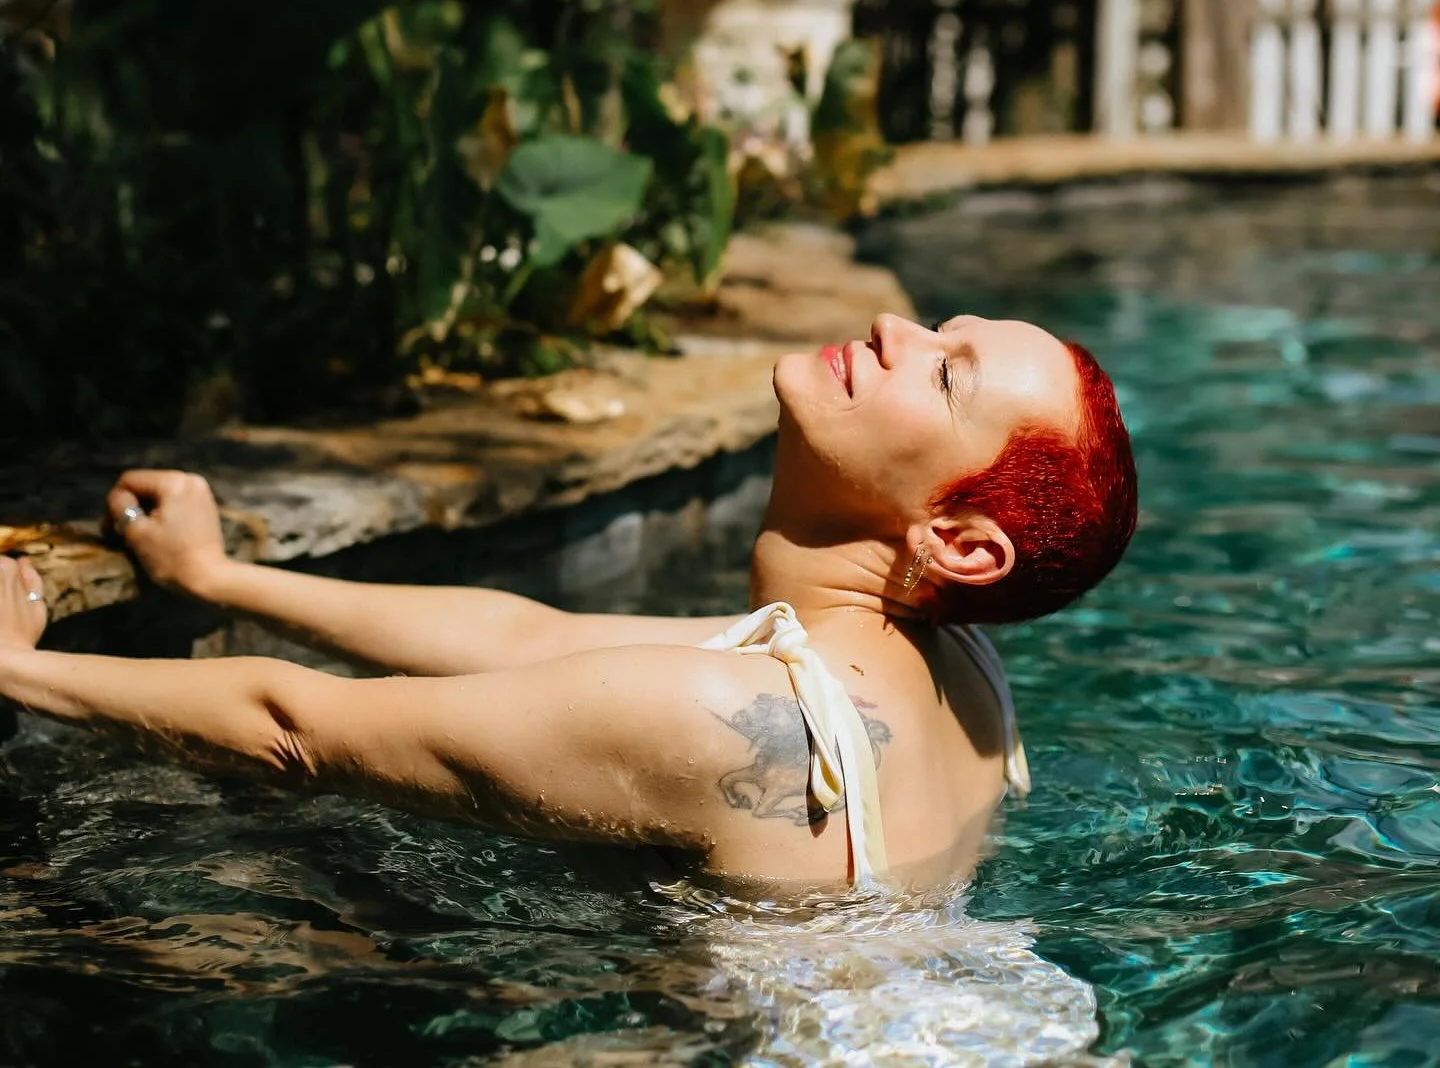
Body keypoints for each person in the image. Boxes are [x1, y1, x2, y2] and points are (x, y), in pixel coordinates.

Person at [0, 312, 1135, 890]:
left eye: (944, 372)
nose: (897, 331)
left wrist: (19, 668)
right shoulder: (954, 666)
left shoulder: (739, 723)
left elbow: (293, 730)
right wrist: (220, 578)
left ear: (959, 544)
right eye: (942, 329)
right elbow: (526, 637)